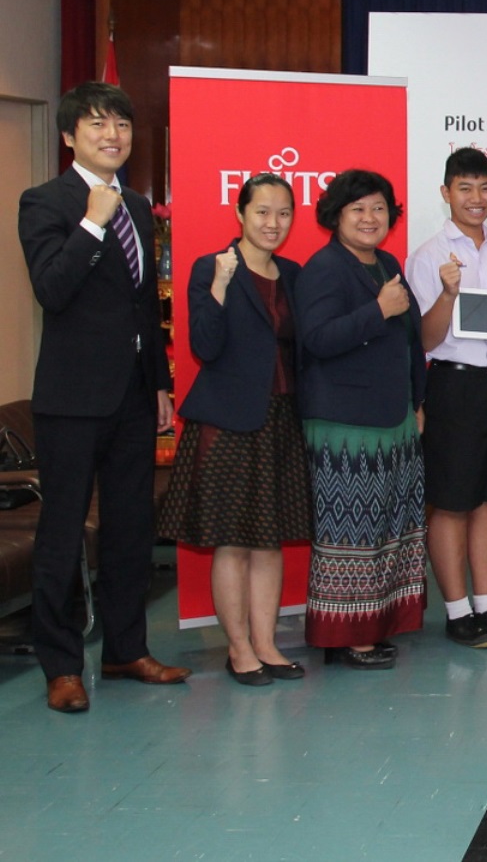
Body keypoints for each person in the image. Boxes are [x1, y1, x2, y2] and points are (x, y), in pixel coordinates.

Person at [19, 82, 187, 712]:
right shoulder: (45, 202)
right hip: (71, 399)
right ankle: (61, 666)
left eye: (121, 124)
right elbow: (52, 289)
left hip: (134, 397)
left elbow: (143, 304)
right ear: (69, 136)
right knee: (62, 534)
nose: (113, 135)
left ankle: (125, 650)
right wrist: (92, 221)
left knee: (130, 531)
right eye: (97, 124)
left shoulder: (139, 206)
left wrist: (160, 383)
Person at [157, 173, 313, 686]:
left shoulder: (293, 274)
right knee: (232, 541)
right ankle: (239, 648)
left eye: (283, 213)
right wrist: (221, 287)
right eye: (262, 211)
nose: (273, 223)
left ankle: (266, 644)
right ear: (240, 214)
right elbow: (204, 345)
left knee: (269, 541)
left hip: (282, 419)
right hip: (228, 422)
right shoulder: (212, 267)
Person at [296, 169, 428, 669]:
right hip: (345, 427)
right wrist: (377, 310)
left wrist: (417, 401)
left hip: (393, 420)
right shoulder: (325, 268)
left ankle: (374, 624)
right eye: (358, 209)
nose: (370, 218)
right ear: (336, 215)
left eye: (379, 208)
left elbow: (409, 340)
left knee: (389, 529)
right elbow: (318, 339)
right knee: (350, 532)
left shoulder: (386, 263)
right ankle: (347, 636)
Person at [406, 149, 487, 650]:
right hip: (455, 386)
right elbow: (424, 339)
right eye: (465, 188)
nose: (476, 198)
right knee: (452, 502)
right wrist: (447, 294)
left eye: (484, 187)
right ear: (446, 193)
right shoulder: (429, 256)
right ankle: (457, 612)